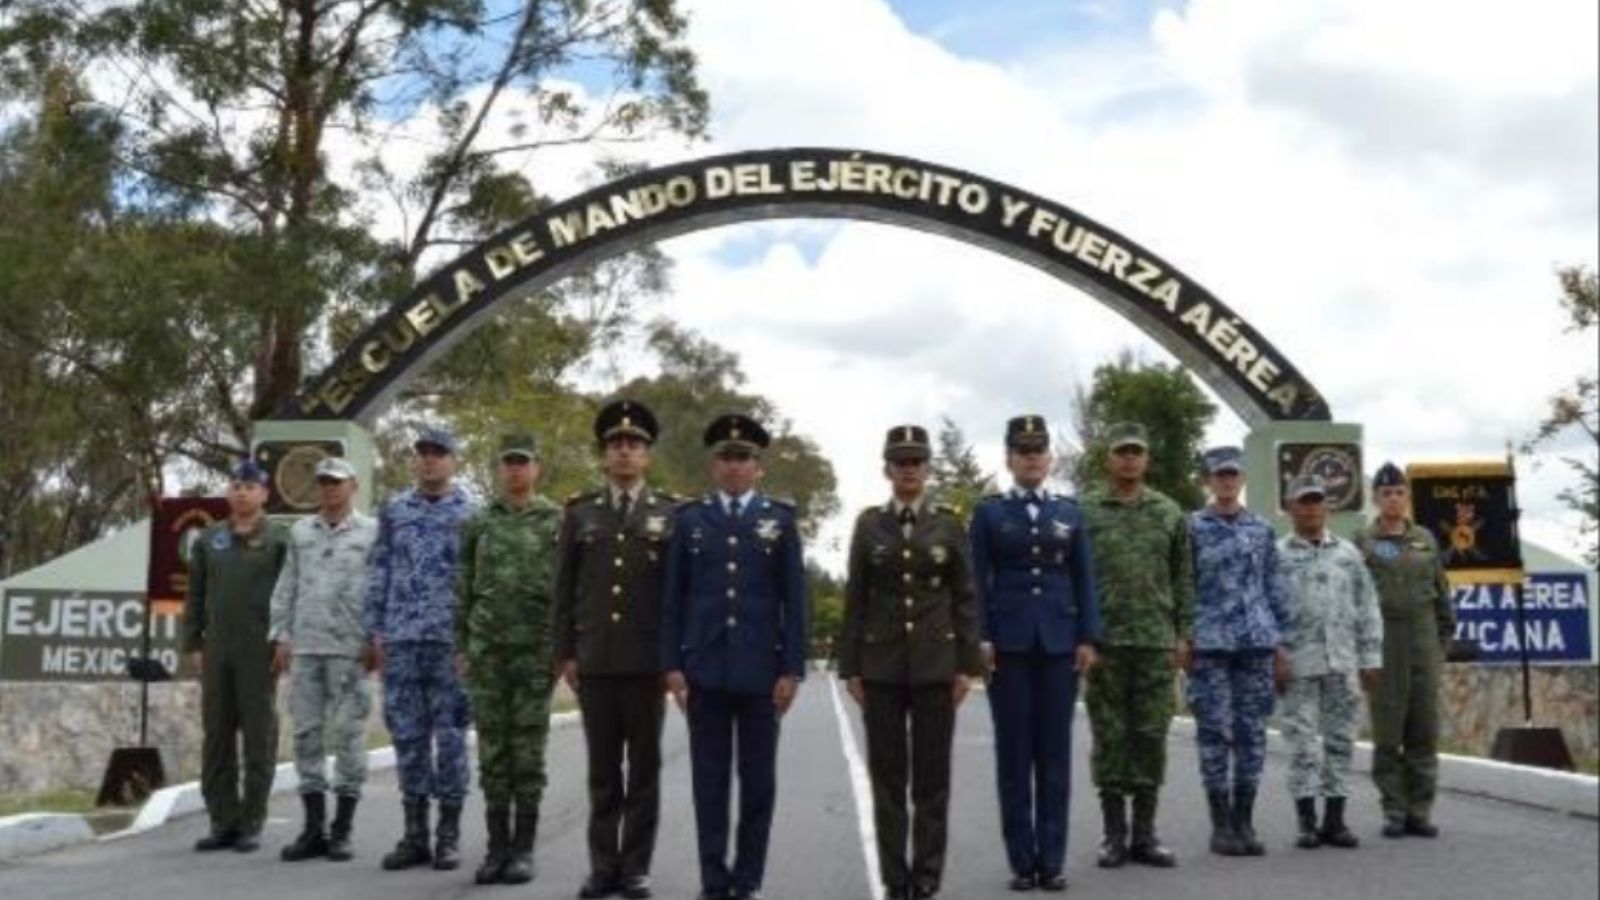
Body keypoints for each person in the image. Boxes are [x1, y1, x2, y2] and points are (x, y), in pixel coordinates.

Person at [661, 413, 808, 900]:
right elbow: (673, 599)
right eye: (725, 457)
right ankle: (713, 880)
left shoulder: (779, 520)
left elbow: (795, 601)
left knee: (758, 784)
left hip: (762, 673)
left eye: (743, 457)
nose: (734, 465)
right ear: (713, 464)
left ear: (758, 466)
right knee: (709, 783)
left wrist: (791, 668)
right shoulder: (689, 520)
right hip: (703, 671)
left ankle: (748, 880)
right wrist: (673, 665)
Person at [840, 425, 984, 900]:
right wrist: (850, 667)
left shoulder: (948, 523)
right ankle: (894, 880)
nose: (908, 470)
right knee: (887, 781)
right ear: (887, 469)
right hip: (880, 669)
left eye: (916, 462)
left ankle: (926, 878)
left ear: (928, 468)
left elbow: (964, 597)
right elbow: (856, 598)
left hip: (935, 667)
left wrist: (966, 667)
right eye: (900, 462)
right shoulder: (869, 525)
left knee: (931, 781)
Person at [968, 414, 1099, 892]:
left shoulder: (1069, 512)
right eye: (1022, 452)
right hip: (1008, 646)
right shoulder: (989, 513)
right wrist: (980, 637)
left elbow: (1083, 578)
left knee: (1055, 756)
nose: (1031, 459)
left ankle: (1053, 861)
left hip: (1059, 644)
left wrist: (1087, 638)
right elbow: (975, 580)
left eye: (1038, 451)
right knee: (1014, 756)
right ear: (1009, 459)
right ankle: (1022, 863)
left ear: (1050, 459)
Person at [554, 399, 677, 900]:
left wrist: (674, 661)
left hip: (648, 666)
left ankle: (636, 868)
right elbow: (564, 589)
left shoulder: (671, 512)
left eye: (634, 444)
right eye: (616, 444)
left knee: (644, 773)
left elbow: (677, 595)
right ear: (604, 456)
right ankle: (603, 866)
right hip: (597, 662)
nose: (625, 451)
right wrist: (565, 653)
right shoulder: (580, 512)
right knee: (603, 773)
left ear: (647, 455)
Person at [363, 426, 478, 872]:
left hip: (451, 644)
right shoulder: (394, 510)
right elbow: (380, 570)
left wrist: (472, 639)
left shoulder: (472, 513)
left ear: (453, 459)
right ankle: (415, 835)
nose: (429, 459)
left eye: (438, 453)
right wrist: (374, 631)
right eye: (423, 452)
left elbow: (478, 580)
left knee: (450, 738)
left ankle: (448, 835)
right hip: (402, 640)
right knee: (408, 738)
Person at [1080, 422, 1191, 870]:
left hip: (1155, 643)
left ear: (1146, 459)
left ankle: (1145, 835)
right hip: (1104, 643)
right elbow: (1074, 577)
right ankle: (1113, 836)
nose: (1129, 459)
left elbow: (1183, 577)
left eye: (1136, 452)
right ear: (1109, 459)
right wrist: (1081, 636)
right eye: (1122, 452)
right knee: (1109, 737)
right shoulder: (1086, 511)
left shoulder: (1169, 512)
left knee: (1150, 735)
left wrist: (1183, 635)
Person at [456, 432, 563, 885]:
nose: (515, 469)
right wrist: (461, 645)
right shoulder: (479, 521)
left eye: (523, 462)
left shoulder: (557, 520)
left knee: (528, 753)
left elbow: (567, 590)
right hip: (487, 653)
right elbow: (462, 584)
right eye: (509, 462)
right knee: (493, 753)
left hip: (535, 653)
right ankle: (496, 847)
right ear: (500, 469)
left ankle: (523, 849)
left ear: (536, 468)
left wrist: (561, 650)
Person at [270, 456, 379, 862]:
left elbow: (380, 586)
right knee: (306, 736)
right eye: (324, 482)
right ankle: (313, 828)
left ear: (353, 486)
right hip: (307, 647)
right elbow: (287, 585)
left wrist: (376, 636)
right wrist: (281, 636)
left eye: (337, 482)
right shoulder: (301, 532)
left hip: (351, 649)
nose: (330, 489)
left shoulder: (372, 532)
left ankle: (342, 830)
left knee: (348, 735)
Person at [1185, 446, 1289, 857]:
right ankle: (1221, 825)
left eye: (1233, 475)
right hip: (1210, 643)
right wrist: (1184, 637)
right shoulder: (1191, 528)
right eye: (1219, 475)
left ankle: (1245, 820)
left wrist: (1281, 643)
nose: (1227, 482)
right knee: (1214, 733)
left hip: (1256, 643)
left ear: (1242, 479)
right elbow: (1184, 585)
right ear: (1208, 481)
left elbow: (1274, 586)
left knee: (1252, 733)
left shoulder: (1262, 529)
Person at [182, 460, 289, 853]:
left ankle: (251, 821)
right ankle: (222, 820)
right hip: (218, 648)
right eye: (236, 486)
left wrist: (285, 639)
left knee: (259, 735)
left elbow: (289, 592)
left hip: (260, 648)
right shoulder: (210, 539)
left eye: (250, 486)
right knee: (217, 735)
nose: (241, 492)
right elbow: (195, 595)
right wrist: (194, 644)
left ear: (264, 494)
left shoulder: (279, 539)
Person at [1277, 473, 1383, 849]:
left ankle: (1335, 821)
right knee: (1303, 743)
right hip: (1297, 662)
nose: (1311, 509)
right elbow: (1266, 608)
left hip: (1343, 661)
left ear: (1327, 507)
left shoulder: (1348, 554)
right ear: (1291, 508)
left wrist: (1371, 657)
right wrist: (1275, 654)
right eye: (1304, 502)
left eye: (1317, 501)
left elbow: (1367, 606)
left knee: (1341, 740)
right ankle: (1306, 822)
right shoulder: (1277, 555)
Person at [1354, 462, 1455, 838]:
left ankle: (1420, 811)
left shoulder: (1425, 539)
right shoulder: (1362, 541)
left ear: (1407, 497)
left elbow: (1442, 595)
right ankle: (1394, 810)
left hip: (1423, 639)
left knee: (1423, 730)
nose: (1393, 499)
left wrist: (1440, 645)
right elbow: (1354, 598)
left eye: (1399, 493)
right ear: (1375, 498)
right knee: (1388, 733)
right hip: (1384, 641)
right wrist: (1363, 653)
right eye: (1386, 493)